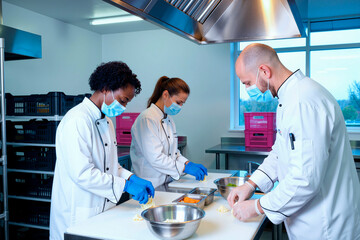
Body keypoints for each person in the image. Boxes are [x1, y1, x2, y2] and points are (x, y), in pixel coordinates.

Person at [228, 43, 360, 239]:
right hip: (311, 222)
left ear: (264, 70)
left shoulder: (302, 102)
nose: (247, 89)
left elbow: (304, 180)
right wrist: (250, 184)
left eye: (247, 82)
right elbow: (280, 152)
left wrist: (257, 206)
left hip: (326, 226)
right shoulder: (289, 98)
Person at [50, 61, 155, 240]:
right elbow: (83, 173)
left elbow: (111, 166)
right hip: (77, 215)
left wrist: (131, 177)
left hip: (102, 212)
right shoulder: (77, 120)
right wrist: (126, 186)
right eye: (123, 101)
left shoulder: (107, 122)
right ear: (106, 88)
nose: (123, 107)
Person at [130, 76, 208, 188]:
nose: (180, 107)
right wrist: (185, 168)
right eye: (178, 102)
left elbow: (173, 153)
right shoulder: (147, 119)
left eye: (182, 103)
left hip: (167, 182)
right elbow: (156, 158)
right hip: (149, 184)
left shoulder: (169, 120)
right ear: (165, 95)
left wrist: (187, 163)